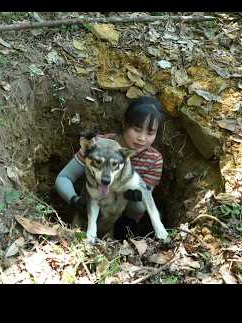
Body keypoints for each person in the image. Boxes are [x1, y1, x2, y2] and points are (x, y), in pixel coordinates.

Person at [55, 96, 165, 239]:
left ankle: (124, 235)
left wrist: (134, 198)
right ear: (125, 124)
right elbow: (63, 178)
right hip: (88, 210)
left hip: (122, 219)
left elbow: (143, 201)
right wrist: (75, 201)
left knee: (138, 204)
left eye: (150, 133)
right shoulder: (97, 146)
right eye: (137, 129)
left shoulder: (154, 160)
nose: (142, 138)